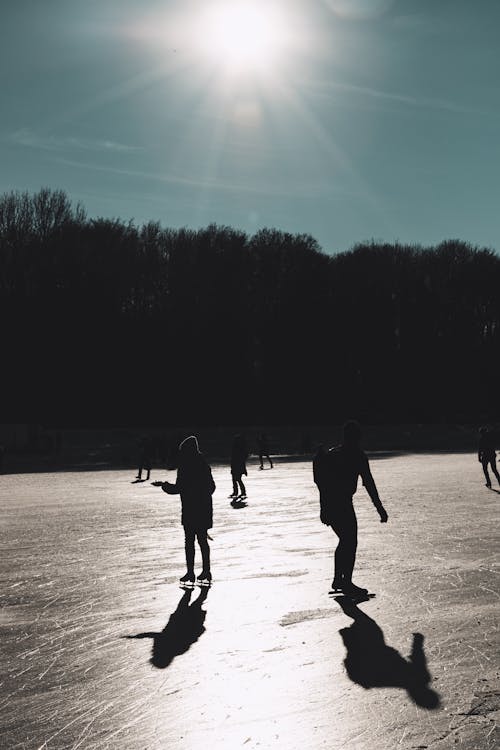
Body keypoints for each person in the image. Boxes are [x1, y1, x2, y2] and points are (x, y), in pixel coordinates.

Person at [313, 421, 388, 597]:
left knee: (345, 541)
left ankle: (339, 579)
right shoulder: (356, 455)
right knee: (349, 541)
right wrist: (379, 507)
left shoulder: (333, 454)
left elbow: (322, 484)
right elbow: (368, 482)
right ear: (356, 437)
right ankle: (345, 582)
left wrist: (324, 508)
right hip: (342, 504)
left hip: (333, 503)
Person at [157, 436, 215, 585]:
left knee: (189, 541)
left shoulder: (185, 467)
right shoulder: (203, 464)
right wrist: (202, 496)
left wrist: (165, 486)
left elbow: (179, 488)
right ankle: (206, 571)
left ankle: (191, 573)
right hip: (203, 508)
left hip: (190, 509)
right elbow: (212, 487)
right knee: (202, 540)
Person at [230, 434, 248, 499]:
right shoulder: (238, 448)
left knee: (237, 479)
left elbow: (239, 459)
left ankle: (240, 492)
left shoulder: (237, 449)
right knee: (235, 479)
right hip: (236, 465)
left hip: (237, 466)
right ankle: (237, 492)